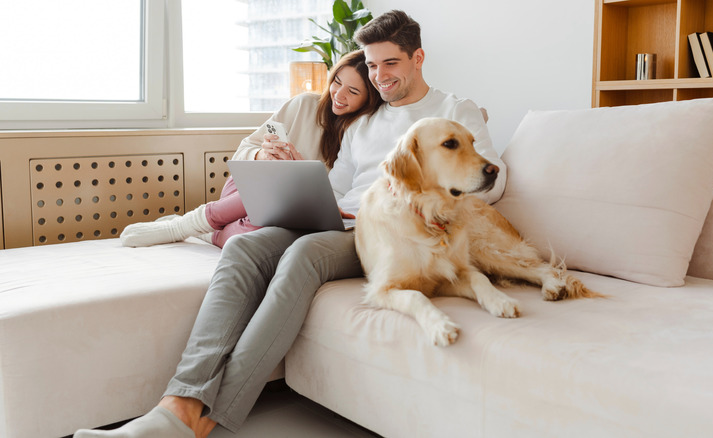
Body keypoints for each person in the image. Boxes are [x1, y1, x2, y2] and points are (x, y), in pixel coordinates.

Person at [74, 10, 505, 438]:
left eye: (390, 63)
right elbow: (337, 189)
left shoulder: (454, 110)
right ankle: (177, 404)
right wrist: (306, 181)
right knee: (247, 246)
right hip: (342, 220)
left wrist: (423, 193)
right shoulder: (366, 122)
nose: (379, 76)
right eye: (372, 65)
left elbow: (492, 180)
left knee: (304, 253)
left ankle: (203, 420)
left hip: (393, 234)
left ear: (418, 58)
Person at [119, 50, 382, 248]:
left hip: (283, 213)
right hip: (244, 191)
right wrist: (262, 155)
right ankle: (181, 226)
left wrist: (299, 172)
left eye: (352, 91)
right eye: (336, 82)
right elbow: (243, 151)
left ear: (369, 98)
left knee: (255, 239)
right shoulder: (303, 105)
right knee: (273, 184)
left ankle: (208, 232)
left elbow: (330, 200)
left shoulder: (362, 132)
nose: (338, 94)